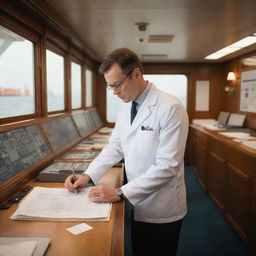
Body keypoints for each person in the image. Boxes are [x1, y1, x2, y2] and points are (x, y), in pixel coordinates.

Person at [65, 48, 189, 256]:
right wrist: (88, 175)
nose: (114, 92)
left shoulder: (170, 107)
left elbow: (168, 166)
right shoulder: (126, 106)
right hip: (137, 198)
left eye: (117, 84)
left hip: (162, 205)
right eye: (110, 86)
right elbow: (115, 146)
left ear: (136, 74)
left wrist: (120, 192)